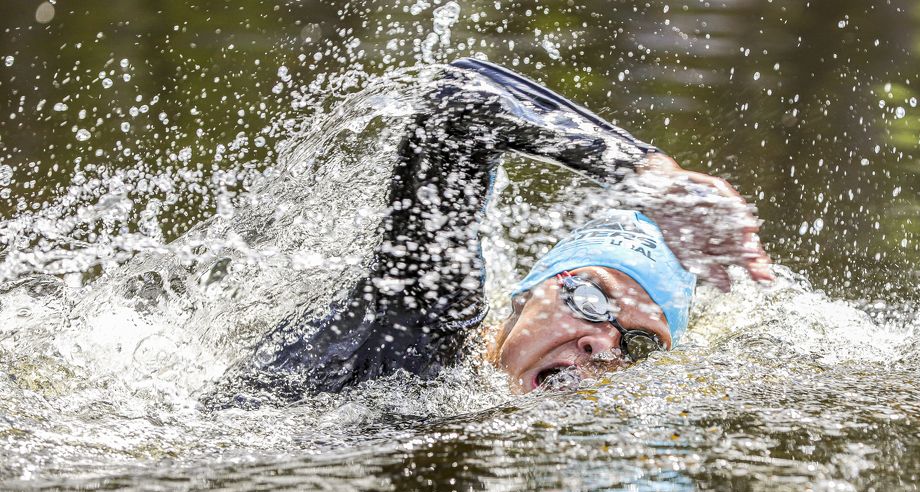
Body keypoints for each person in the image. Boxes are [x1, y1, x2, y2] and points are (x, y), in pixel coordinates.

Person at [211, 58, 771, 404]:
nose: (604, 344)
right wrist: (649, 174)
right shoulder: (419, 322)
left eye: (641, 343)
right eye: (591, 297)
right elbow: (460, 105)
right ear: (530, 291)